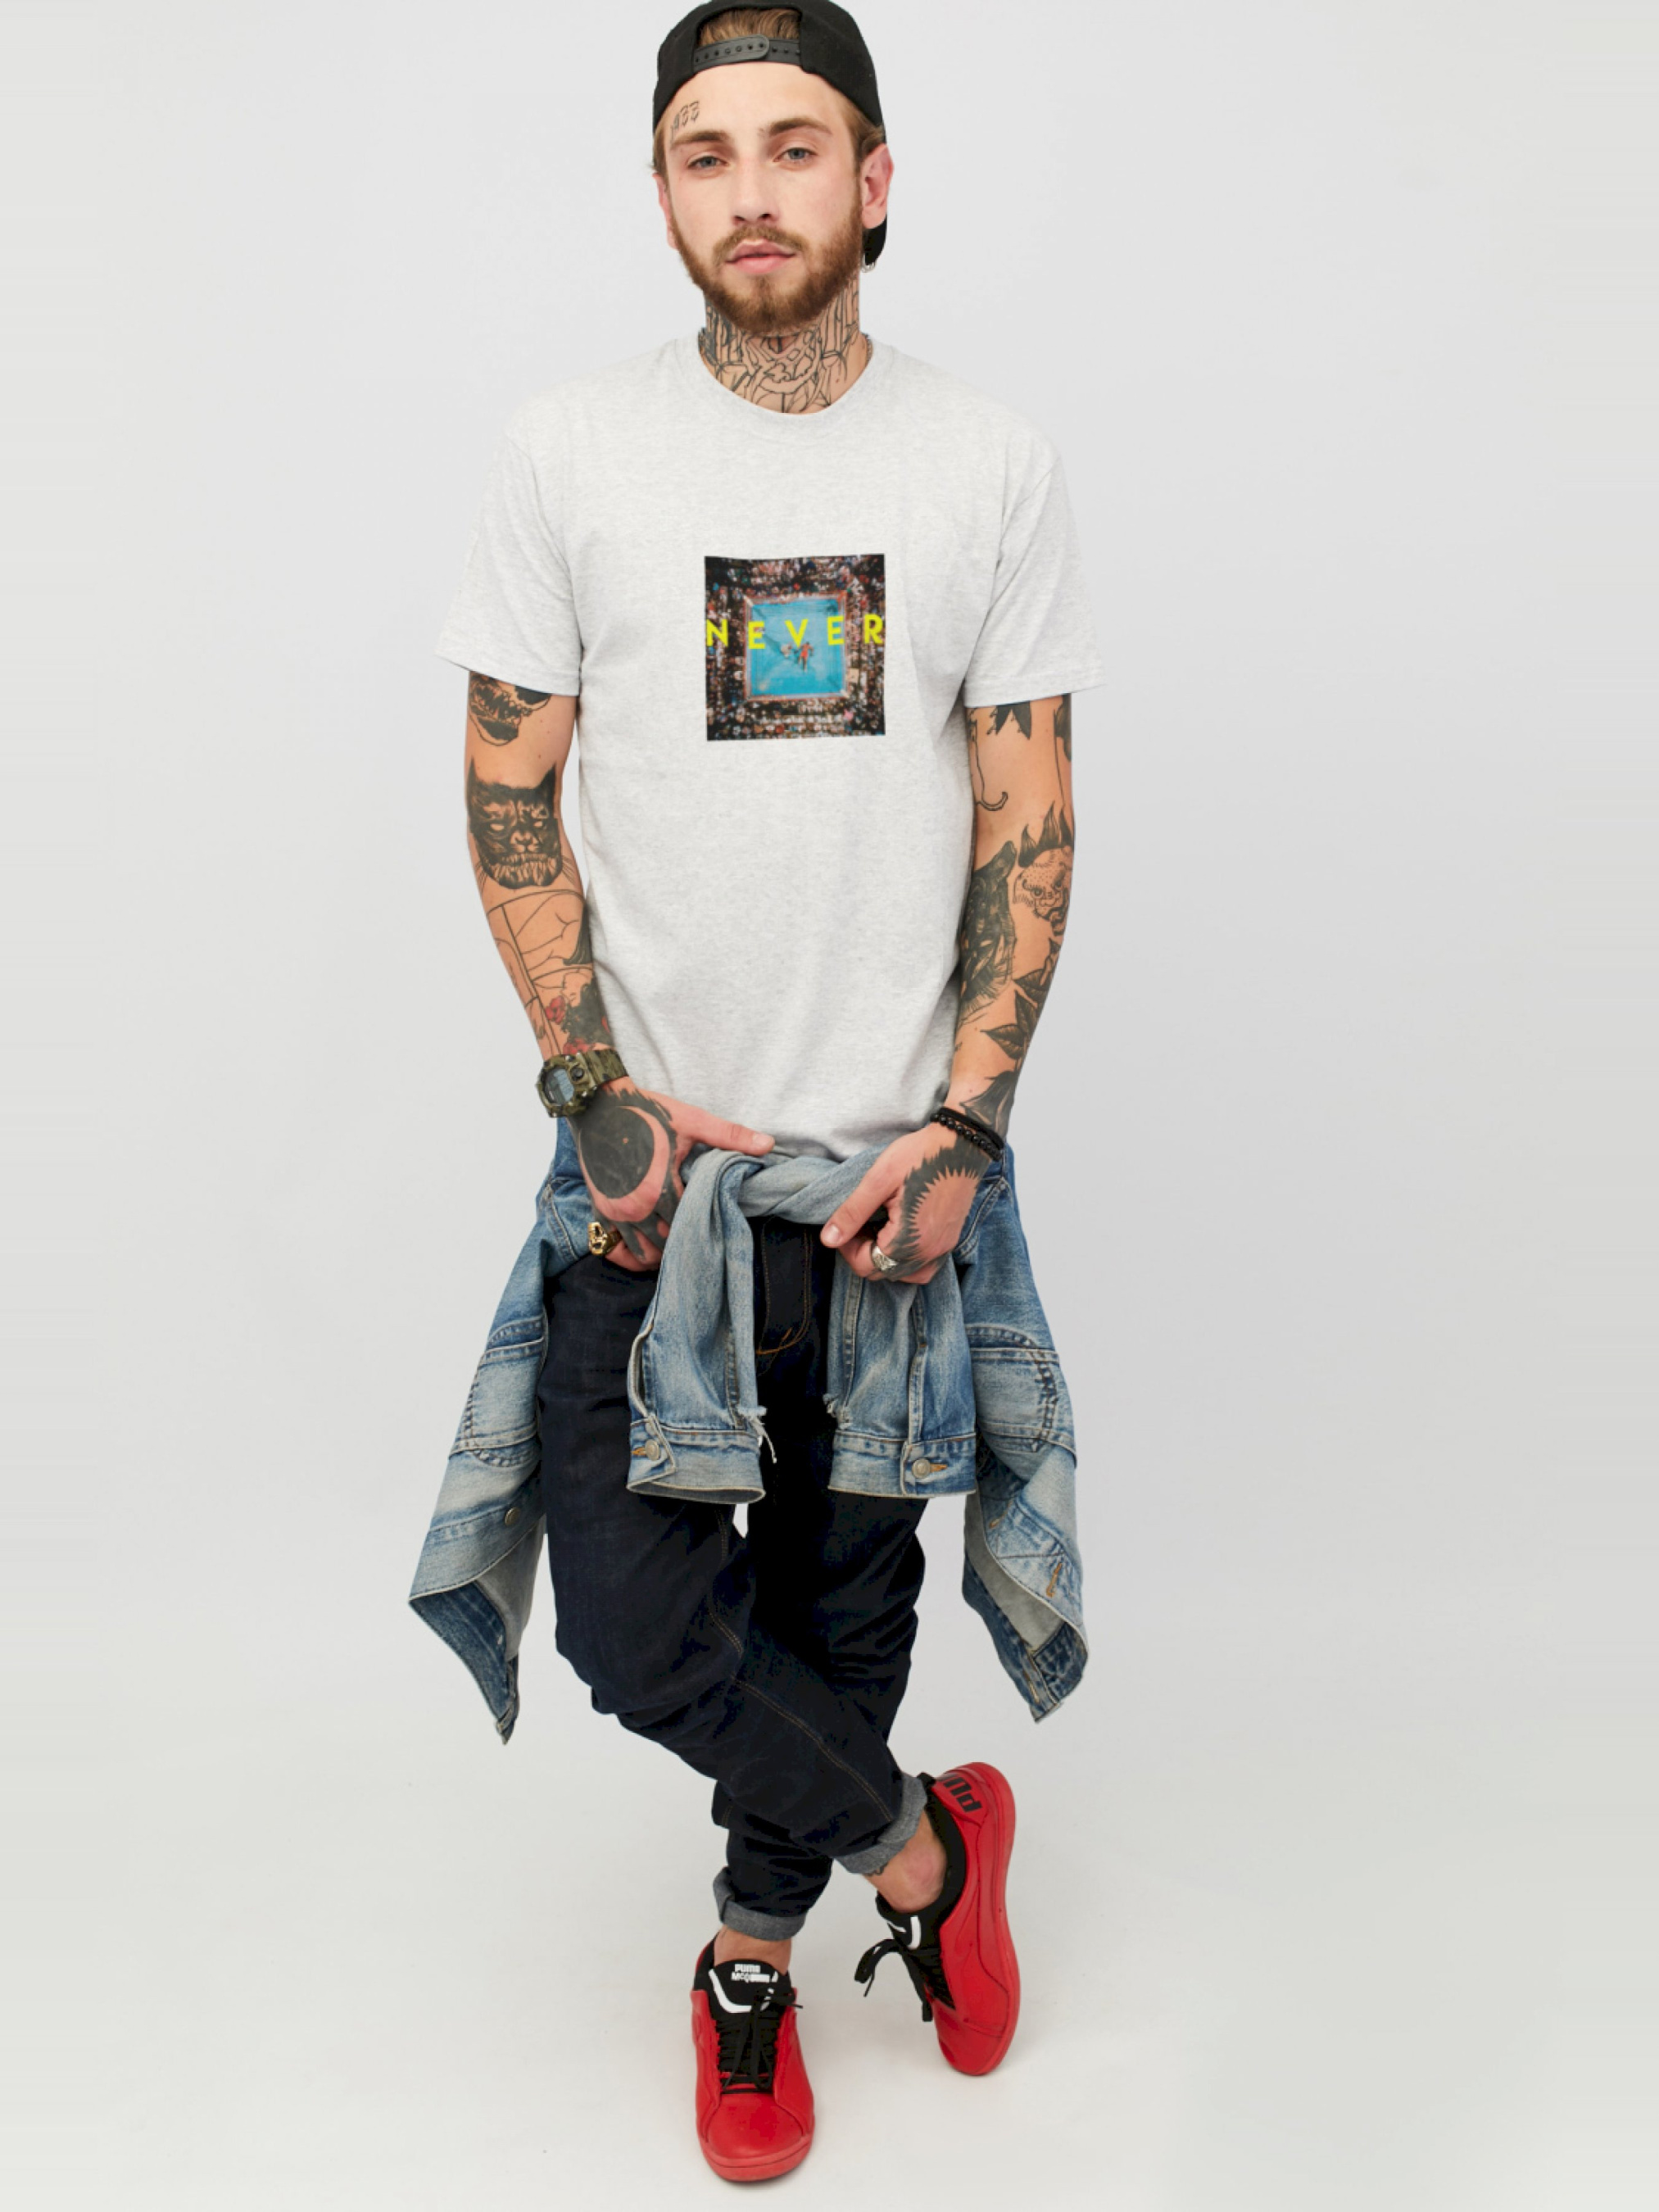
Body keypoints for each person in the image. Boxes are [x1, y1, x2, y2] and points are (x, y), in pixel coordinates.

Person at [427, 2, 1104, 2183]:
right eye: (704, 152)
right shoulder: (566, 455)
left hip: (889, 1175)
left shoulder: (985, 463)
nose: (750, 191)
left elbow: (1026, 807)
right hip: (658, 1186)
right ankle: (927, 1851)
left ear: (872, 181)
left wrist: (969, 1128)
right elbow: (507, 792)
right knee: (640, 1630)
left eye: (794, 146)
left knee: (839, 1600)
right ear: (660, 191)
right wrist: (594, 1089)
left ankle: (748, 1954)